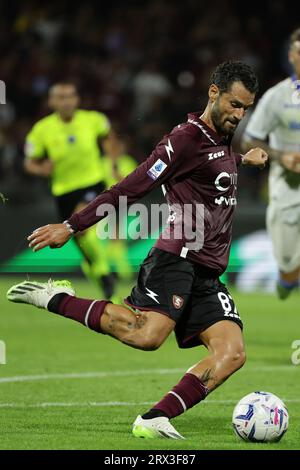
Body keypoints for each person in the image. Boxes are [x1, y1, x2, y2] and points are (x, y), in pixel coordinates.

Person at [7, 61, 268, 440]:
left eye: (246, 107)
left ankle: (153, 418)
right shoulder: (184, 138)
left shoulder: (221, 138)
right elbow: (129, 187)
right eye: (234, 104)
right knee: (147, 336)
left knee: (232, 354)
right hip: (177, 256)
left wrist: (245, 160)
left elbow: (210, 169)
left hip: (208, 272)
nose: (239, 115)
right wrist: (70, 225)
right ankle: (58, 299)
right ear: (213, 93)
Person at [24, 82, 121, 299]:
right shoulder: (42, 130)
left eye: (70, 96)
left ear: (77, 99)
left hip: (92, 183)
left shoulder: (93, 120)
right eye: (60, 97)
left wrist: (114, 164)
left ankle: (105, 275)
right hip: (63, 191)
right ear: (51, 102)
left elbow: (109, 138)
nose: (66, 101)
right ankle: (100, 273)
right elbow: (29, 163)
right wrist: (41, 168)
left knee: (82, 227)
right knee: (78, 239)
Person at [242, 28, 300, 300]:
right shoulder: (277, 97)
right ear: (291, 56)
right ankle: (287, 278)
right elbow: (249, 140)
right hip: (287, 188)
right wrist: (282, 156)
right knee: (288, 263)